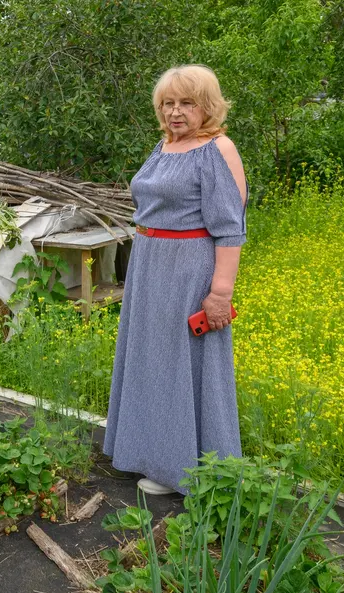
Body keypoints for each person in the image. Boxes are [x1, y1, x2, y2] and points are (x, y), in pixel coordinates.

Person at [102, 64, 247, 496]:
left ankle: (181, 468)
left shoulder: (217, 149)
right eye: (168, 104)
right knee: (151, 361)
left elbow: (230, 228)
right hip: (150, 267)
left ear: (208, 106)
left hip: (187, 270)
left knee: (181, 365)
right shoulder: (166, 145)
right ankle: (147, 451)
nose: (175, 112)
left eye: (186, 103)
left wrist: (220, 293)